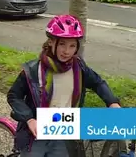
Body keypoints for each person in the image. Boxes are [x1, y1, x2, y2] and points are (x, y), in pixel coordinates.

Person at [7, 14, 121, 157]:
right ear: (51, 42)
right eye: (62, 44)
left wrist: (112, 102)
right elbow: (14, 96)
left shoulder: (79, 67)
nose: (67, 51)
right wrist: (29, 119)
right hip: (36, 131)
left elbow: (98, 83)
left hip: (64, 128)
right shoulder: (33, 71)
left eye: (72, 46)